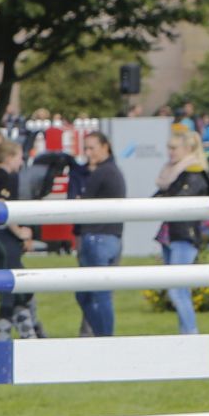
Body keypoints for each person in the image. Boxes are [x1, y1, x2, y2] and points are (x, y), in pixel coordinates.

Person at [0, 138, 41, 339]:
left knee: (20, 284)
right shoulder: (9, 177)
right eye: (20, 157)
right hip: (1, 237)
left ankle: (28, 332)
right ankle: (9, 334)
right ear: (10, 158)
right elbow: (2, 206)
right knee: (14, 286)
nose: (21, 162)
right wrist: (19, 232)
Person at [155, 123, 209, 334]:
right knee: (180, 290)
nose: (170, 152)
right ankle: (186, 334)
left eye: (174, 148)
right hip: (172, 234)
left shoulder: (193, 173)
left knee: (177, 290)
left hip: (184, 236)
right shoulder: (176, 173)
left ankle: (191, 333)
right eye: (169, 148)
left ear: (188, 149)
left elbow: (177, 201)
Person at [74, 133, 126, 336]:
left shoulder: (102, 172)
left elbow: (84, 205)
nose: (88, 153)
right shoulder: (112, 171)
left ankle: (105, 338)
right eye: (86, 148)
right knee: (91, 294)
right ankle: (103, 337)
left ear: (106, 147)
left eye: (92, 148)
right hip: (110, 238)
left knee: (96, 294)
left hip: (97, 238)